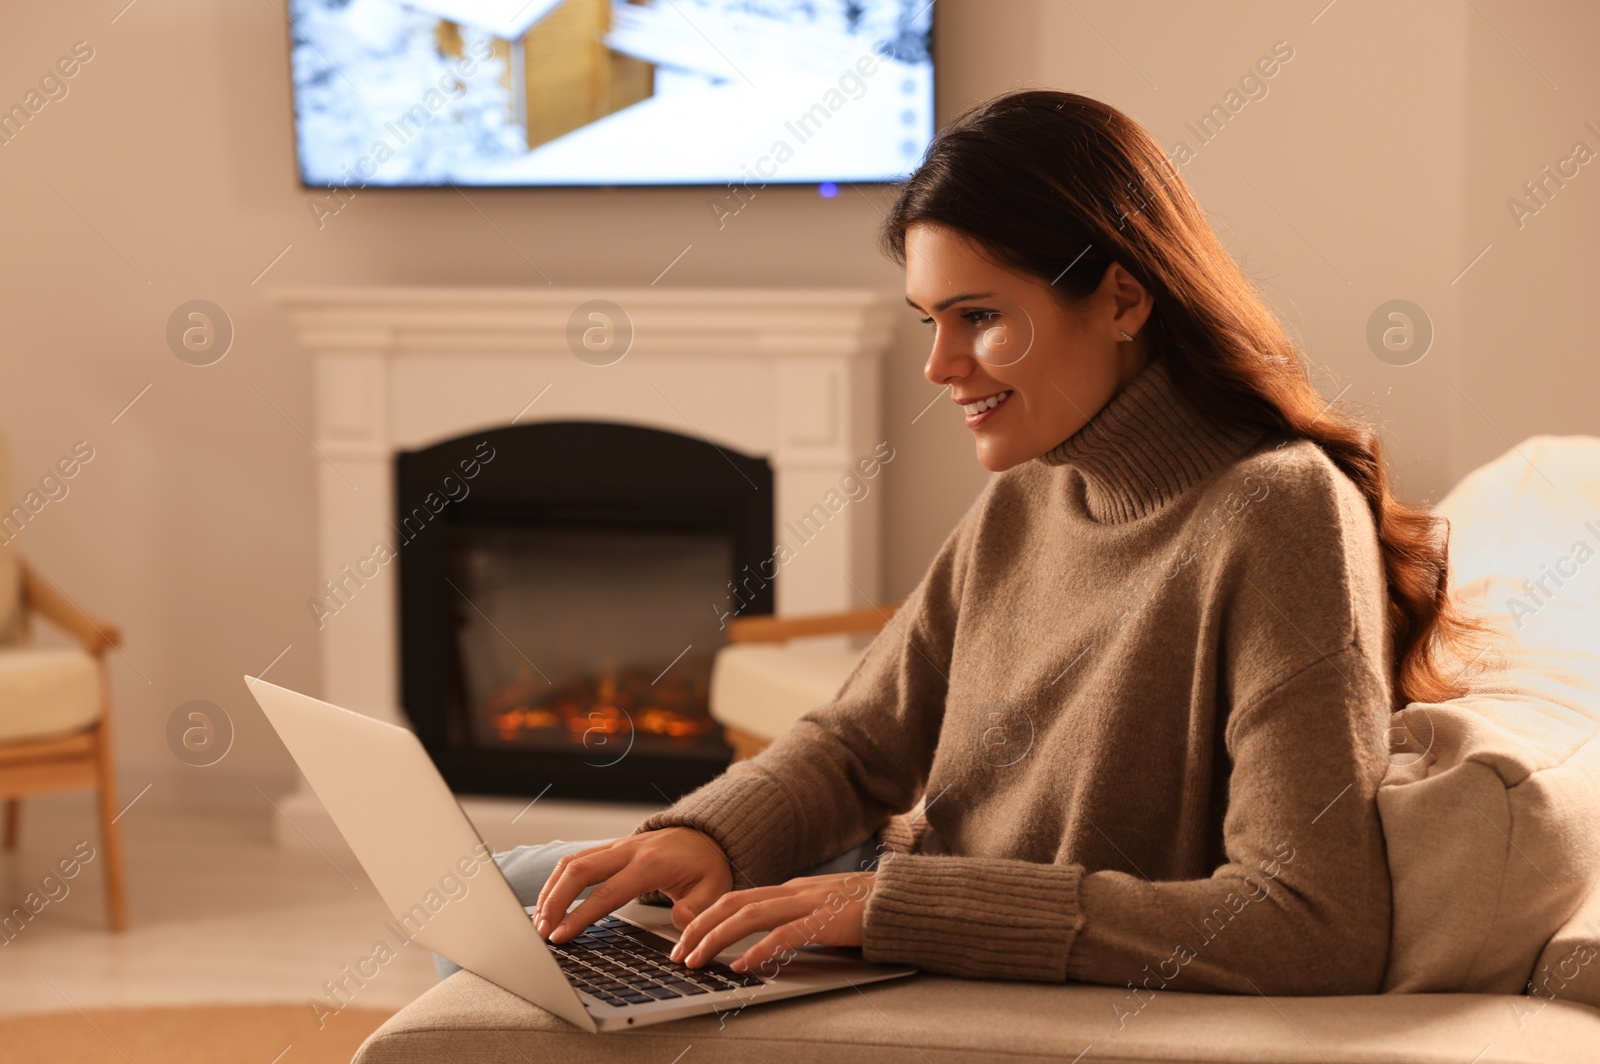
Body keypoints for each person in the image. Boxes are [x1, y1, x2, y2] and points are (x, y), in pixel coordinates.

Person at [449, 89, 1493, 998]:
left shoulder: (1276, 512)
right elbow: (861, 741)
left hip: (949, 933)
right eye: (926, 320)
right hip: (899, 889)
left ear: (1123, 295)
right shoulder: (1039, 483)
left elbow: (1309, 924)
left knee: (519, 924)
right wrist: (702, 835)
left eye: (979, 316)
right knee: (498, 902)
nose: (939, 365)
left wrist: (894, 908)